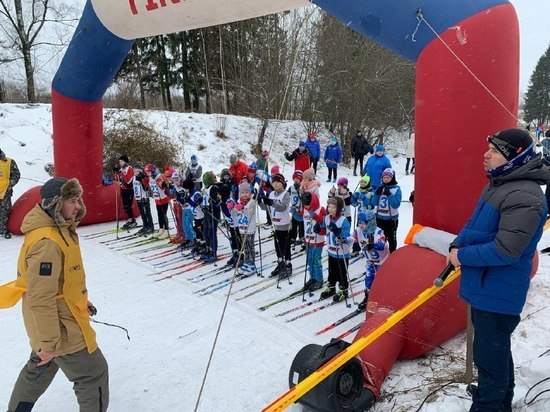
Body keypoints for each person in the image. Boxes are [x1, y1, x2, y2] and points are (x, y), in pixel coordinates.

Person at [447, 128, 548, 412]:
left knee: (490, 360)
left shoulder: (525, 196)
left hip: (499, 291)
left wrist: (462, 257)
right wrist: (457, 244)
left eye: (494, 150)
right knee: (495, 354)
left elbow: (505, 250)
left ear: (514, 157)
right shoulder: (500, 183)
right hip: (486, 286)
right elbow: (476, 224)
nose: (486, 154)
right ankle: (500, 403)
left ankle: (489, 406)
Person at [1, 177, 109, 411]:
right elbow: (41, 297)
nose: (78, 206)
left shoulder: (58, 230)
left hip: (55, 324)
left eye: (79, 199)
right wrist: (49, 343)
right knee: (93, 374)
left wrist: (81, 301)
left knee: (41, 367)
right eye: (72, 201)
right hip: (62, 329)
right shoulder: (47, 243)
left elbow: (61, 284)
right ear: (54, 204)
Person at [317, 197, 353, 302]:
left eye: (333, 207)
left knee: (341, 271)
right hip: (331, 250)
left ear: (339, 208)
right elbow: (325, 230)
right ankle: (331, 286)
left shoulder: (343, 221)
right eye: (329, 206)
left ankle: (343, 289)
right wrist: (319, 229)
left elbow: (345, 237)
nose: (330, 209)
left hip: (341, 252)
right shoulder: (327, 218)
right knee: (331, 270)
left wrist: (338, 232)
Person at [353, 211, 389, 310]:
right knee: (368, 280)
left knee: (381, 281)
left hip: (382, 262)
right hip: (370, 261)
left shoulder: (378, 232)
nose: (361, 225)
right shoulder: (358, 231)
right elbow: (351, 239)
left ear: (370, 222)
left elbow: (381, 244)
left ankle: (382, 299)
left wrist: (372, 244)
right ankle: (368, 297)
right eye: (359, 222)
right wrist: (344, 240)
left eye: (363, 223)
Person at [259, 173, 293, 279]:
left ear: (282, 183)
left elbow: (283, 207)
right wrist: (261, 202)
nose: (275, 184)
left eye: (278, 182)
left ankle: (288, 265)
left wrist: (271, 203)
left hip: (284, 224)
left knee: (285, 246)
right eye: (273, 182)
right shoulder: (272, 194)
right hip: (275, 225)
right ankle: (280, 263)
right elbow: (267, 208)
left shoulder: (285, 194)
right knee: (277, 246)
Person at [301, 192, 326, 292]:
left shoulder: (321, 209)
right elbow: (300, 218)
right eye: (305, 204)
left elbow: (324, 223)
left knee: (316, 260)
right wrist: (294, 213)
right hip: (308, 239)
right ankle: (313, 278)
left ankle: (319, 279)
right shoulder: (305, 210)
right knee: (309, 260)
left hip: (317, 240)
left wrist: (316, 216)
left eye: (308, 204)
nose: (307, 206)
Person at [372, 168, 401, 253]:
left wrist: (389, 194)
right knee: (379, 237)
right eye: (384, 177)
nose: (386, 179)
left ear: (392, 178)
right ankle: (381, 253)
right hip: (380, 217)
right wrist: (377, 193)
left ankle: (392, 253)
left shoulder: (396, 189)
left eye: (388, 177)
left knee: (391, 238)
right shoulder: (380, 188)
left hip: (391, 218)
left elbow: (396, 204)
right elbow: (374, 203)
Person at [234, 182, 257, 277]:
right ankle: (246, 262)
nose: (244, 195)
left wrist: (242, 209)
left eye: (247, 192)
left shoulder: (252, 202)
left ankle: (252, 264)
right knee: (244, 247)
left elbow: (249, 214)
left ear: (251, 193)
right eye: (242, 193)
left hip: (249, 229)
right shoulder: (239, 201)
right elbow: (235, 214)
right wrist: (233, 208)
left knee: (250, 246)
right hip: (242, 228)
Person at [144, 164, 170, 239]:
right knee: (159, 215)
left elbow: (162, 186)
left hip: (163, 199)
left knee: (163, 214)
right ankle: (161, 229)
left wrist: (163, 184)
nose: (147, 174)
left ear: (152, 171)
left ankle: (166, 230)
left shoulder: (158, 177)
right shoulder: (151, 178)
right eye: (146, 172)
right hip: (157, 199)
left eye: (148, 172)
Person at [0, 147, 21, 238]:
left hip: (5, 192)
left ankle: (3, 230)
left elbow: (16, 174)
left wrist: (10, 184)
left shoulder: (9, 162)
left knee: (5, 211)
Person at [114, 154, 137, 229]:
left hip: (129, 189)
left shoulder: (129, 168)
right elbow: (117, 179)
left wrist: (120, 174)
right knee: (125, 206)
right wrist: (115, 172)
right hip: (123, 189)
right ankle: (130, 219)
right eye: (119, 161)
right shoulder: (121, 169)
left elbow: (128, 180)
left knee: (128, 206)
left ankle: (133, 220)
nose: (120, 163)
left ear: (125, 161)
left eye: (121, 161)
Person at [133, 164, 155, 236]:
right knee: (142, 213)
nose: (135, 172)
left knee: (147, 213)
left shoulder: (143, 176)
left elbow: (146, 188)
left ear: (139, 171)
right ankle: (145, 225)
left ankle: (150, 226)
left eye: (136, 171)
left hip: (144, 198)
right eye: (134, 171)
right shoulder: (134, 177)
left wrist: (142, 180)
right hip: (138, 198)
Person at [288, 170, 305, 250]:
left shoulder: (302, 187)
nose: (296, 180)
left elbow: (304, 197)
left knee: (301, 224)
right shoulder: (291, 187)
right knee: (294, 224)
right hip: (294, 208)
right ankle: (293, 238)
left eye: (297, 179)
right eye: (294, 179)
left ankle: (302, 237)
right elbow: (287, 195)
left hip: (301, 209)